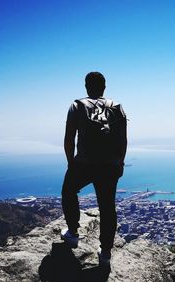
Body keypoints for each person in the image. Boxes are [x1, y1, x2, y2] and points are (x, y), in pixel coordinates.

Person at [60, 72, 127, 266]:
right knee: (107, 207)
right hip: (110, 166)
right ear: (104, 87)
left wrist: (70, 162)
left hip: (84, 163)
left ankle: (73, 232)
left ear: (86, 86)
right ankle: (105, 252)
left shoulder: (77, 106)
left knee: (68, 191)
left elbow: (69, 138)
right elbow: (122, 139)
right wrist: (120, 162)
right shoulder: (117, 107)